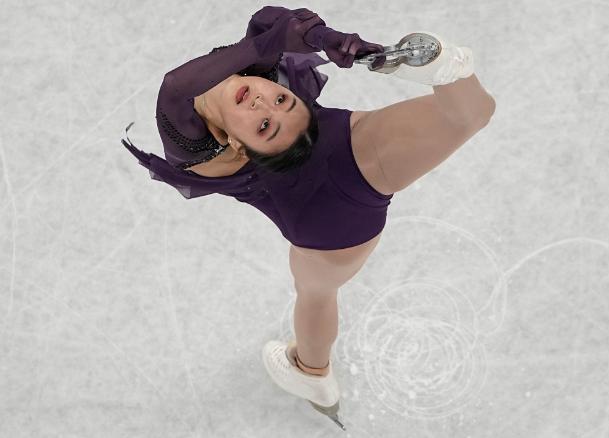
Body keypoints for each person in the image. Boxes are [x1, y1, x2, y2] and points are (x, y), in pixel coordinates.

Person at [121, 5, 495, 429]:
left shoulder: (218, 104)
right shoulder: (189, 137)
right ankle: (453, 73)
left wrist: (325, 39)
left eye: (281, 99)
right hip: (328, 212)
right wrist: (304, 38)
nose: (264, 98)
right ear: (239, 148)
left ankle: (312, 372)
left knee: (315, 294)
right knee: (469, 114)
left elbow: (268, 22)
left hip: (335, 195)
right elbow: (189, 78)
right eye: (265, 124)